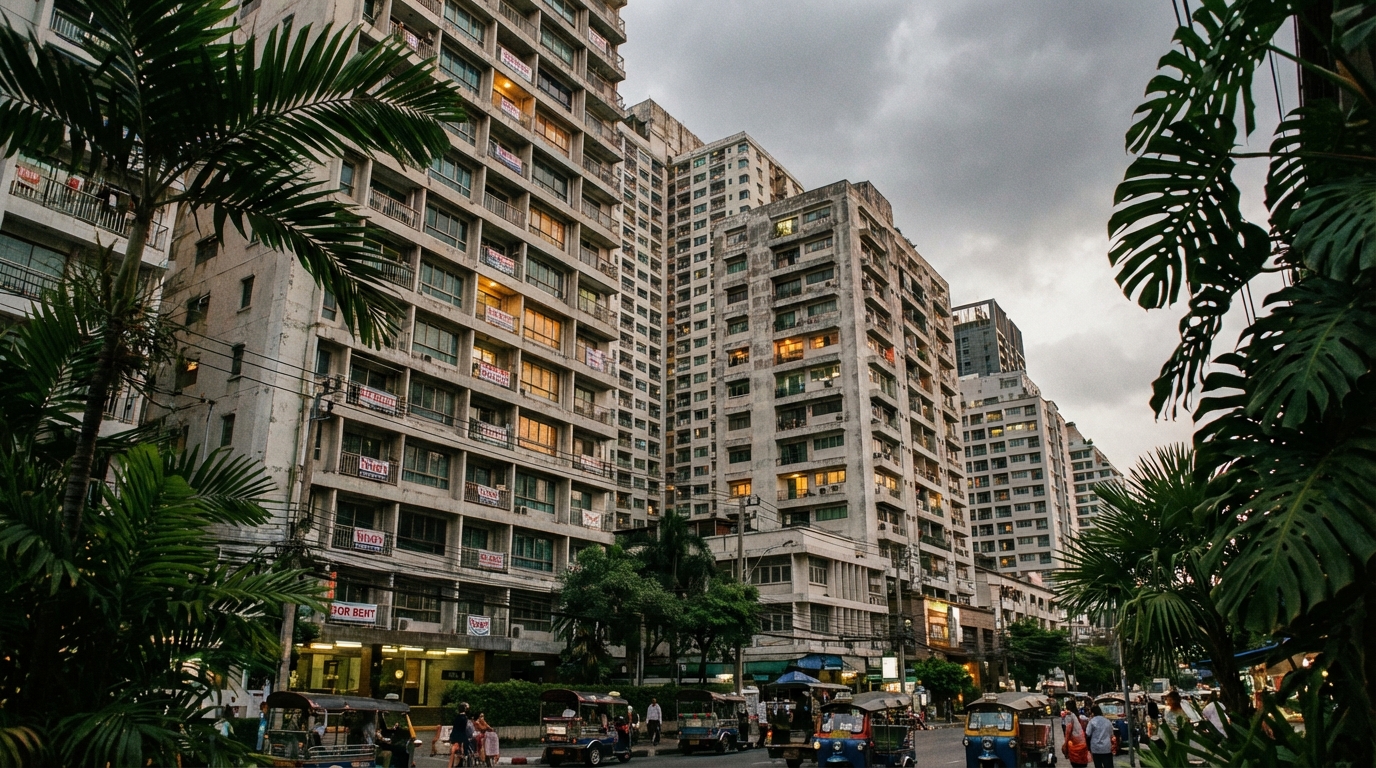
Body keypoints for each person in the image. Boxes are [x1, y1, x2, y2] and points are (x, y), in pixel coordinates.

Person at [448, 702, 471, 768]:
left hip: (454, 735)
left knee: (453, 750)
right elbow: (464, 729)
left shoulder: (457, 717)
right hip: (461, 736)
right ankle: (465, 755)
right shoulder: (464, 718)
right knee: (466, 743)